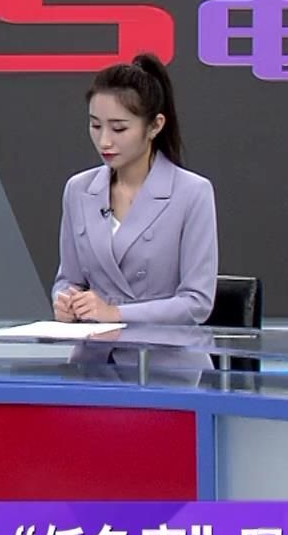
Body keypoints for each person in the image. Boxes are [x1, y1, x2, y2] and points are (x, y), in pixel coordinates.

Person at [51, 54, 218, 361]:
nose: (104, 141)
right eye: (95, 125)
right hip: (93, 362)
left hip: (166, 365)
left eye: (118, 129)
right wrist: (65, 301)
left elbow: (197, 303)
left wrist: (115, 313)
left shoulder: (192, 193)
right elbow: (69, 279)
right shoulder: (78, 190)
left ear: (154, 126)